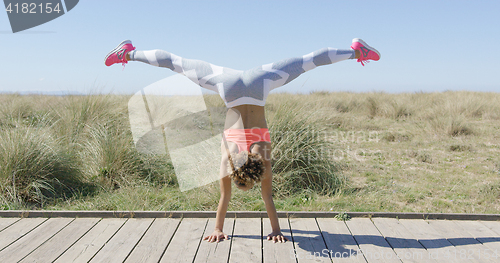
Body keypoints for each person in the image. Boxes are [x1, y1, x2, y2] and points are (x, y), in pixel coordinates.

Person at [104, 39, 380, 243]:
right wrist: (222, 228)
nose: (241, 188)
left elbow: (266, 197)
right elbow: (227, 198)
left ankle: (356, 51)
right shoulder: (228, 163)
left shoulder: (264, 163)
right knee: (177, 64)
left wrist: (272, 229)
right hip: (231, 86)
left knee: (305, 63)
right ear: (239, 174)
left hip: (256, 85)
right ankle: (128, 53)